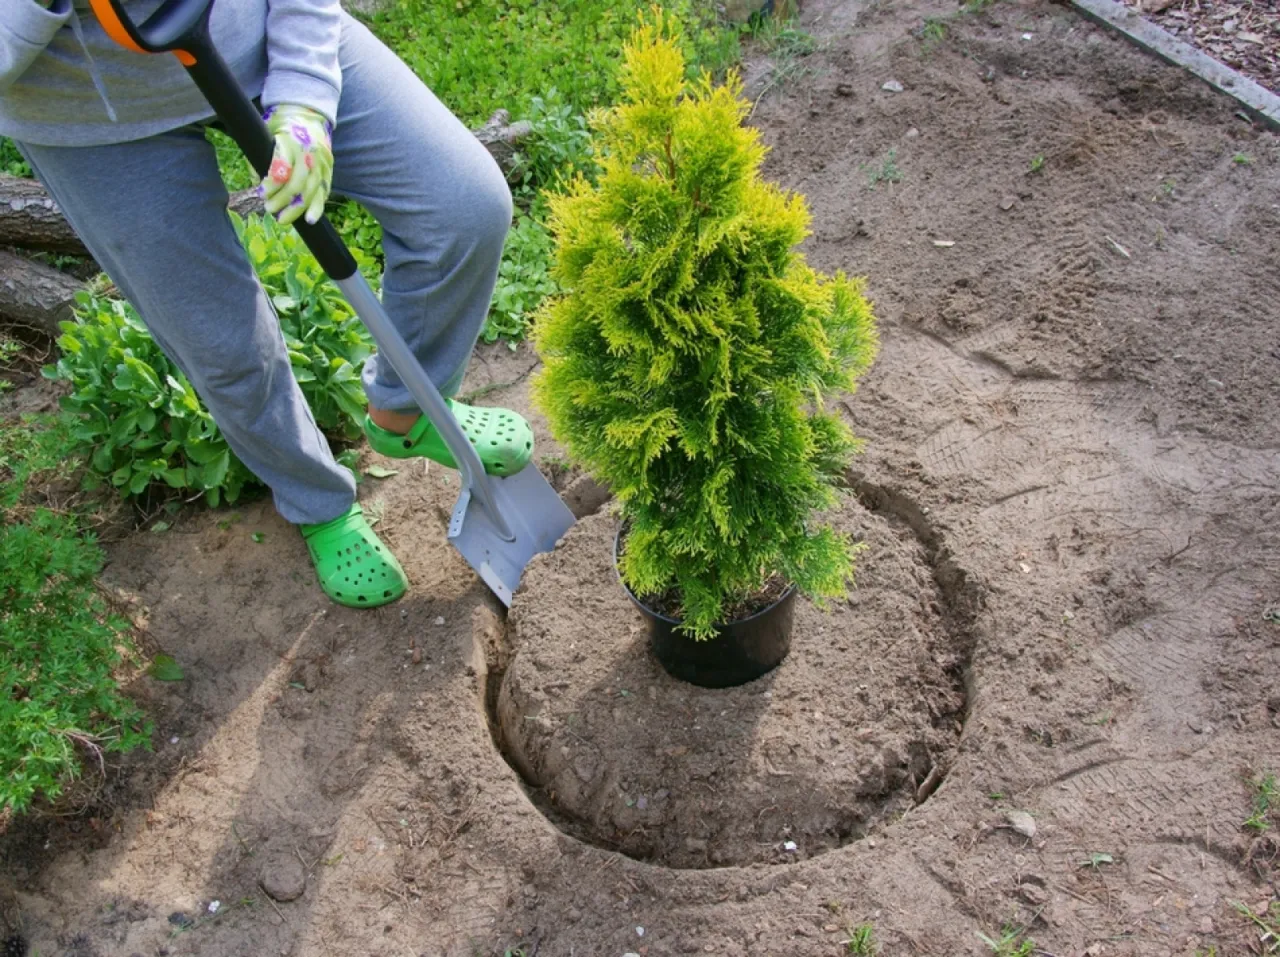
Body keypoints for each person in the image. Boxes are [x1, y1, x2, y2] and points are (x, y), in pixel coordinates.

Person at [0, 0, 535, 608]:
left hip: (256, 34)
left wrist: (306, 98)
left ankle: (407, 412)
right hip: (86, 117)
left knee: (463, 206)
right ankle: (318, 502)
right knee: (221, 341)